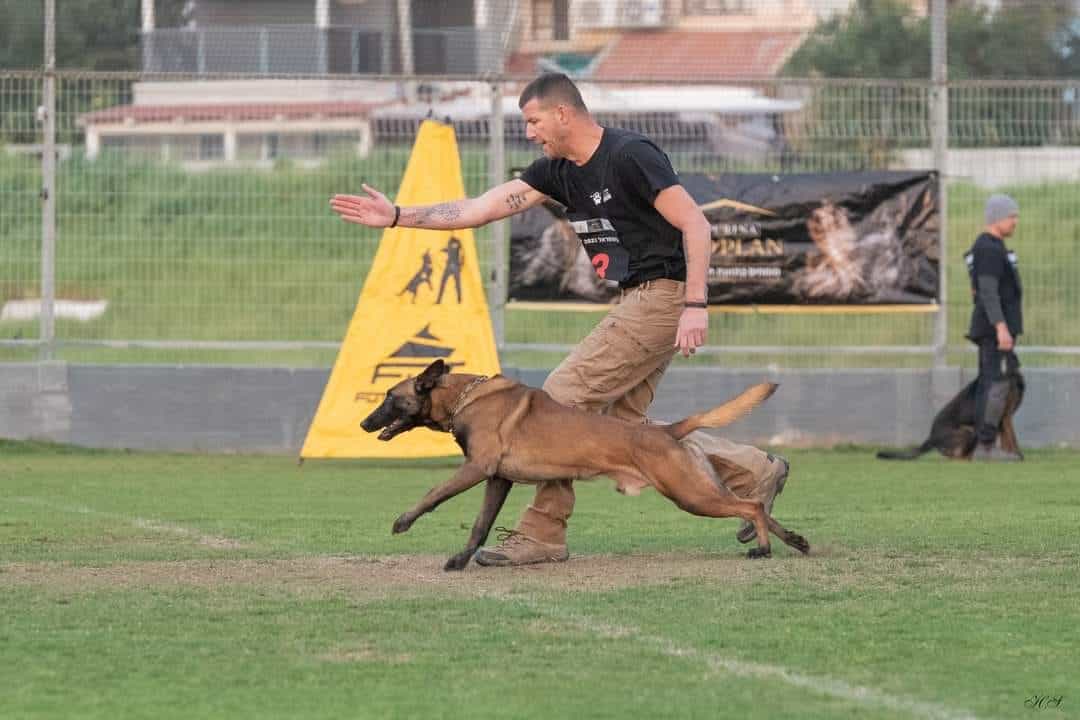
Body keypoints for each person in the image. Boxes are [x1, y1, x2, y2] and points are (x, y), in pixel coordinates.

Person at [330, 73, 789, 565]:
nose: (528, 132)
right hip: (639, 297)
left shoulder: (630, 155)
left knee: (560, 400)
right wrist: (399, 215)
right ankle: (753, 472)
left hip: (662, 297)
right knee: (625, 432)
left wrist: (695, 305)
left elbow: (695, 224)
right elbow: (480, 208)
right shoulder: (556, 170)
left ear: (563, 113)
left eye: (532, 120)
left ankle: (541, 535)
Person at [964, 194, 1023, 462]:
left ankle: (984, 446)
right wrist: (1001, 327)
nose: (1015, 222)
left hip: (993, 328)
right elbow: (988, 291)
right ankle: (985, 447)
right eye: (1012, 216)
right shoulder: (988, 248)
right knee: (995, 385)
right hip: (993, 330)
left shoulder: (992, 247)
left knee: (992, 382)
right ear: (998, 217)